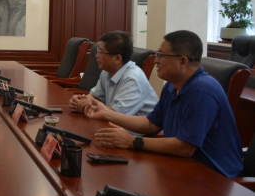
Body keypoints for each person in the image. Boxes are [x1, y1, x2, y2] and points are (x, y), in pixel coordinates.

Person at [86, 30, 243, 177]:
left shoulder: (202, 91)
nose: (156, 60)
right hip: (181, 165)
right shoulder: (171, 86)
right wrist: (107, 113)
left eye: (161, 55)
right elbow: (151, 124)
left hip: (214, 176)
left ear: (182, 61)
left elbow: (185, 147)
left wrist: (131, 141)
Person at [68, 31, 158, 116]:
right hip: (114, 124)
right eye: (98, 51)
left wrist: (85, 107)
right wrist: (79, 101)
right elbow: (95, 97)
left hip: (134, 127)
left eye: (101, 52)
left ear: (117, 58)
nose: (96, 56)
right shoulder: (106, 72)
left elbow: (116, 114)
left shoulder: (133, 79)